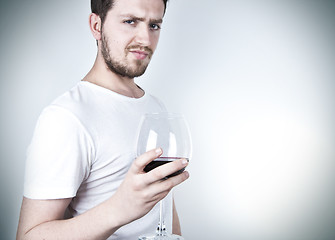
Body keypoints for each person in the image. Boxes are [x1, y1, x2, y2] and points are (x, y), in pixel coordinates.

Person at [16, 0, 190, 239]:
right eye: (130, 22)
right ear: (96, 25)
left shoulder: (156, 108)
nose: (146, 40)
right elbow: (28, 236)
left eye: (154, 25)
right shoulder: (66, 117)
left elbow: (164, 208)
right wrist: (119, 208)